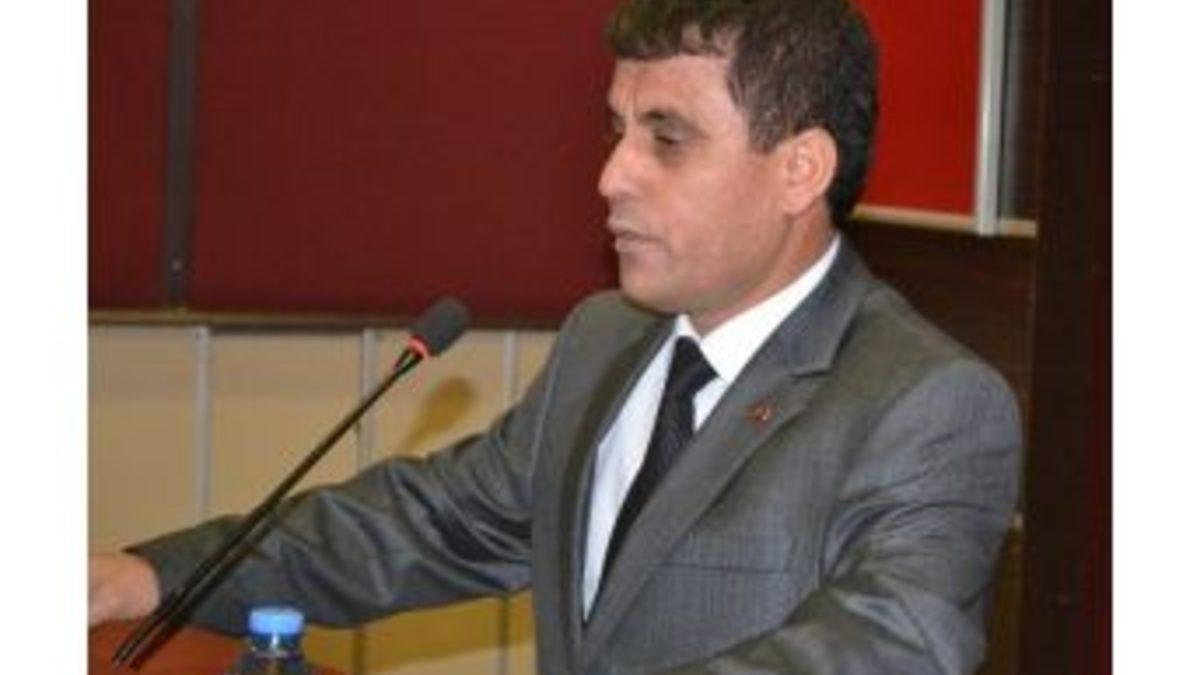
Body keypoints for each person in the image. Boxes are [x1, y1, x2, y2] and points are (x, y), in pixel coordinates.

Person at [90, 1, 1021, 673]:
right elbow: (430, 524)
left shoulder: (926, 403)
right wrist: (156, 577)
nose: (612, 175)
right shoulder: (606, 338)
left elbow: (878, 651)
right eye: (616, 129)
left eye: (667, 138)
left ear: (799, 169)